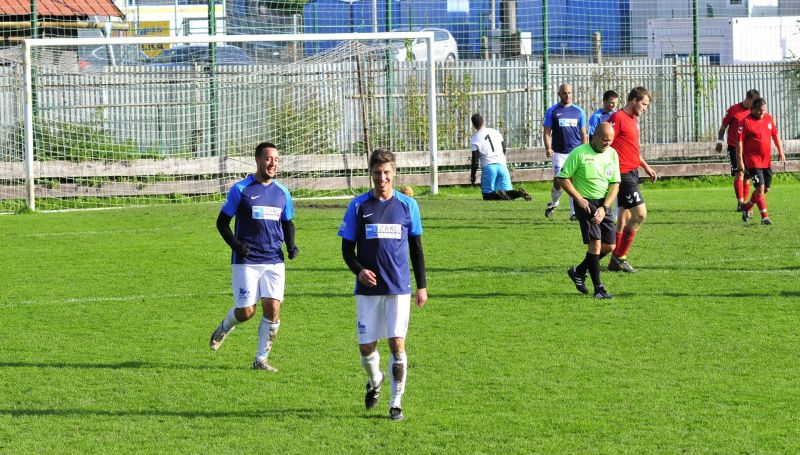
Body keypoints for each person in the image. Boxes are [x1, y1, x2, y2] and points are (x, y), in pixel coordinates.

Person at [338, 149, 428, 422]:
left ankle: (396, 402)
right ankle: (375, 379)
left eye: (387, 172)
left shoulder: (407, 205)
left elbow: (417, 250)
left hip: (399, 287)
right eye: (377, 173)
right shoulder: (358, 206)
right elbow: (346, 250)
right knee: (366, 347)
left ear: (394, 173)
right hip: (367, 290)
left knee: (396, 344)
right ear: (371, 174)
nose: (382, 177)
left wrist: (421, 286)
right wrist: (360, 271)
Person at [209, 141, 299, 372]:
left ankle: (260, 360)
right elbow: (222, 223)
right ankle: (226, 325)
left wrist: (291, 246)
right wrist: (237, 245)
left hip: (273, 259)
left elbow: (287, 222)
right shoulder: (241, 190)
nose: (273, 163)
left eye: (276, 159)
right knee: (247, 312)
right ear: (258, 160)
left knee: (272, 308)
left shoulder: (282, 192)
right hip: (247, 261)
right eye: (269, 158)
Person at [559, 122, 620, 299]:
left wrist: (605, 207)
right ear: (595, 136)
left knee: (610, 246)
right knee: (595, 244)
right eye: (605, 140)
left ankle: (578, 271)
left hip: (604, 204)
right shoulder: (579, 153)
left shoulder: (613, 154)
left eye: (611, 140)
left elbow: (615, 184)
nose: (608, 143)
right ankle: (599, 289)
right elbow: (563, 178)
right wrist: (578, 198)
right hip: (585, 203)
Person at [607, 87, 657, 273]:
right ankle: (620, 257)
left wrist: (645, 166)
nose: (645, 108)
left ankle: (613, 263)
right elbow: (605, 143)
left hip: (633, 171)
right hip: (623, 174)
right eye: (643, 104)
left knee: (624, 217)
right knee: (640, 214)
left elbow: (632, 148)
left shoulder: (634, 120)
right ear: (634, 100)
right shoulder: (617, 118)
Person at [543, 82, 588, 220]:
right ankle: (554, 202)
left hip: (575, 152)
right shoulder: (552, 111)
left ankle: (573, 213)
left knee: (572, 181)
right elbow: (546, 133)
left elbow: (584, 134)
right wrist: (548, 148)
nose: (567, 95)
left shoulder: (579, 111)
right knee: (559, 181)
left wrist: (585, 150)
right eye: (564, 93)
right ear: (559, 94)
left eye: (569, 93)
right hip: (559, 153)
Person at [737, 97, 785, 225]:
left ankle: (746, 207)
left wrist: (781, 150)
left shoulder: (769, 118)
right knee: (760, 188)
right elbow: (739, 142)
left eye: (764, 110)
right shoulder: (745, 122)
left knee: (765, 189)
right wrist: (740, 161)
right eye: (759, 110)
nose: (762, 113)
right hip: (752, 161)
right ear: (752, 109)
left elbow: (775, 134)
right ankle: (765, 217)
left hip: (766, 161)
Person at [469, 113, 532, 201]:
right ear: (483, 121)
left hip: (489, 166)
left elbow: (475, 160)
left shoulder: (474, 138)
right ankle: (519, 193)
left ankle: (500, 195)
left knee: (487, 195)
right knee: (507, 191)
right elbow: (504, 148)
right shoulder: (495, 132)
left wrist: (473, 175)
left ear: (474, 125)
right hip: (502, 165)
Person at [716, 89, 760, 212]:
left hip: (748, 149)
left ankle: (744, 204)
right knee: (739, 173)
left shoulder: (754, 112)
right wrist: (719, 141)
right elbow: (723, 127)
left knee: (747, 176)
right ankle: (740, 202)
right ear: (748, 99)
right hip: (734, 147)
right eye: (753, 102)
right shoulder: (734, 109)